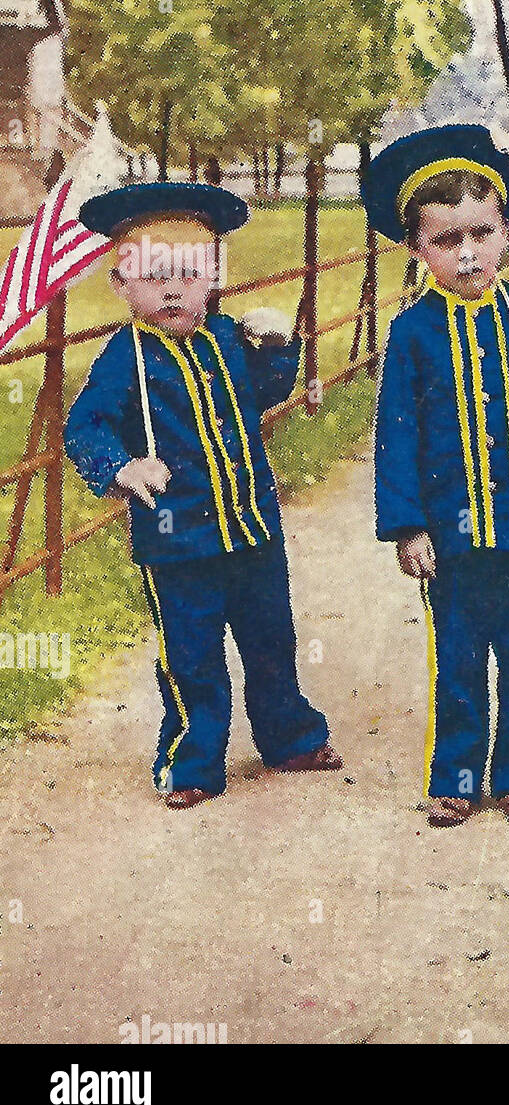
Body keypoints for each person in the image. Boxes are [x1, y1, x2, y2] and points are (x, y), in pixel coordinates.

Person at [64, 183, 340, 808]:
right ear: (121, 284)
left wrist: (277, 348)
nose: (171, 291)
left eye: (188, 275)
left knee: (271, 639)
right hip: (177, 540)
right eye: (153, 276)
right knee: (190, 656)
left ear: (214, 275)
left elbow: (265, 392)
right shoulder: (124, 357)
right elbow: (84, 426)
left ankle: (289, 734)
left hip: (252, 530)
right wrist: (123, 467)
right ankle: (192, 758)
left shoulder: (226, 340)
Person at [365, 125, 509, 827]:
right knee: (457, 658)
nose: (466, 254)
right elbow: (396, 436)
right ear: (417, 249)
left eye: (481, 235)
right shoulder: (413, 332)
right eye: (446, 240)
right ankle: (456, 772)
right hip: (450, 538)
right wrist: (407, 525)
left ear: (506, 233)